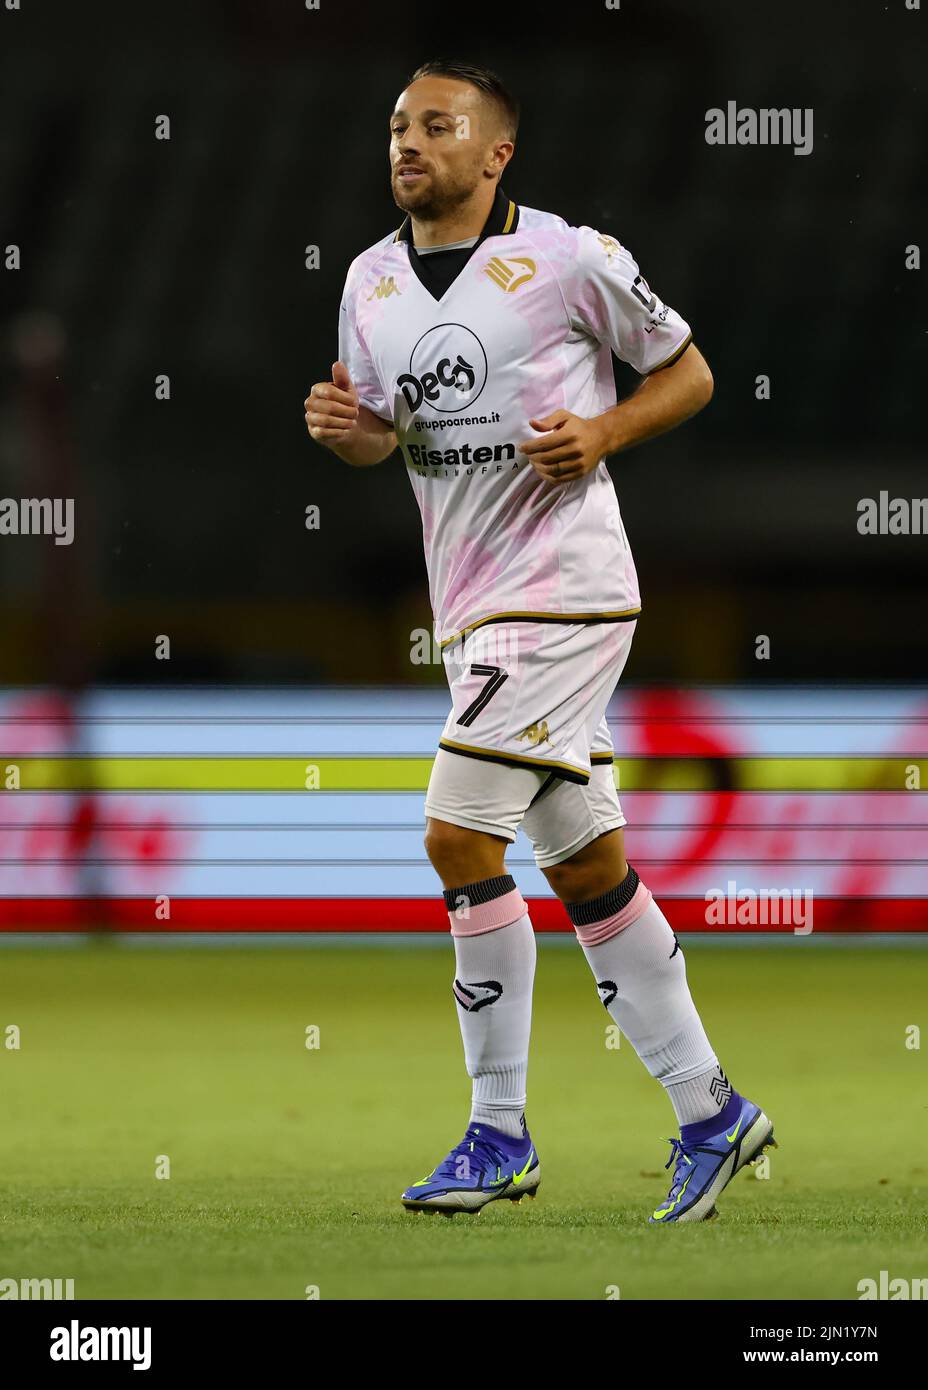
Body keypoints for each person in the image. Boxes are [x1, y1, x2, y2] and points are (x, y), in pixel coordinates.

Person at [305, 60, 774, 1224]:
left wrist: (603, 429)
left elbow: (691, 370)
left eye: (437, 126)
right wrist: (350, 433)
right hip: (470, 611)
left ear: (495, 152)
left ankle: (496, 1131)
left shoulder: (569, 258)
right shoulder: (368, 281)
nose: (409, 143)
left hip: (562, 592)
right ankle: (711, 1110)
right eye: (399, 125)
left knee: (456, 838)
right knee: (583, 867)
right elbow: (382, 437)